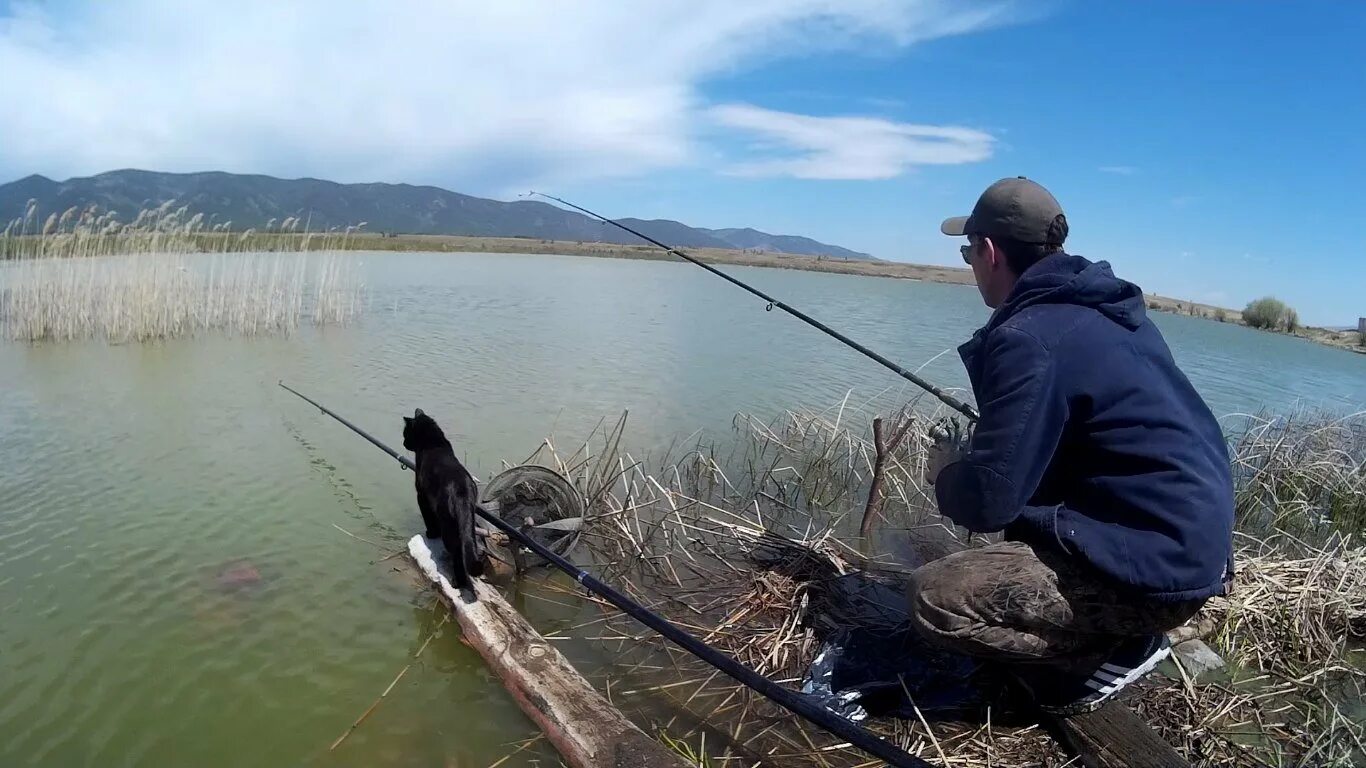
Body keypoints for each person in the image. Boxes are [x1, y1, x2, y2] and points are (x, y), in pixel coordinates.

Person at [910, 176, 1235, 715]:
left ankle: (1112, 652)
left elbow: (989, 502)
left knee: (934, 599)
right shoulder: (1108, 313)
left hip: (1155, 572)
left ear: (990, 252)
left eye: (967, 250)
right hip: (1193, 550)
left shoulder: (1029, 337)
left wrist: (946, 472)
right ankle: (1127, 629)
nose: (968, 262)